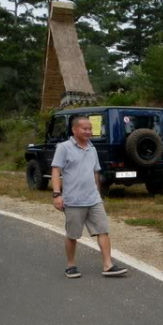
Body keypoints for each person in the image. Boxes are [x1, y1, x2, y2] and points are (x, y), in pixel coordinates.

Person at [51, 115, 127, 278]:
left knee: (103, 230)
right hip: (73, 200)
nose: (88, 131)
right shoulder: (64, 147)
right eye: (84, 129)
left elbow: (95, 172)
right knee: (72, 235)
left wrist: (98, 193)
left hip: (93, 199)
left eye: (90, 129)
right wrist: (57, 194)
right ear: (74, 130)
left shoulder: (92, 148)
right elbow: (56, 170)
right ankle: (70, 265)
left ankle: (107, 265)